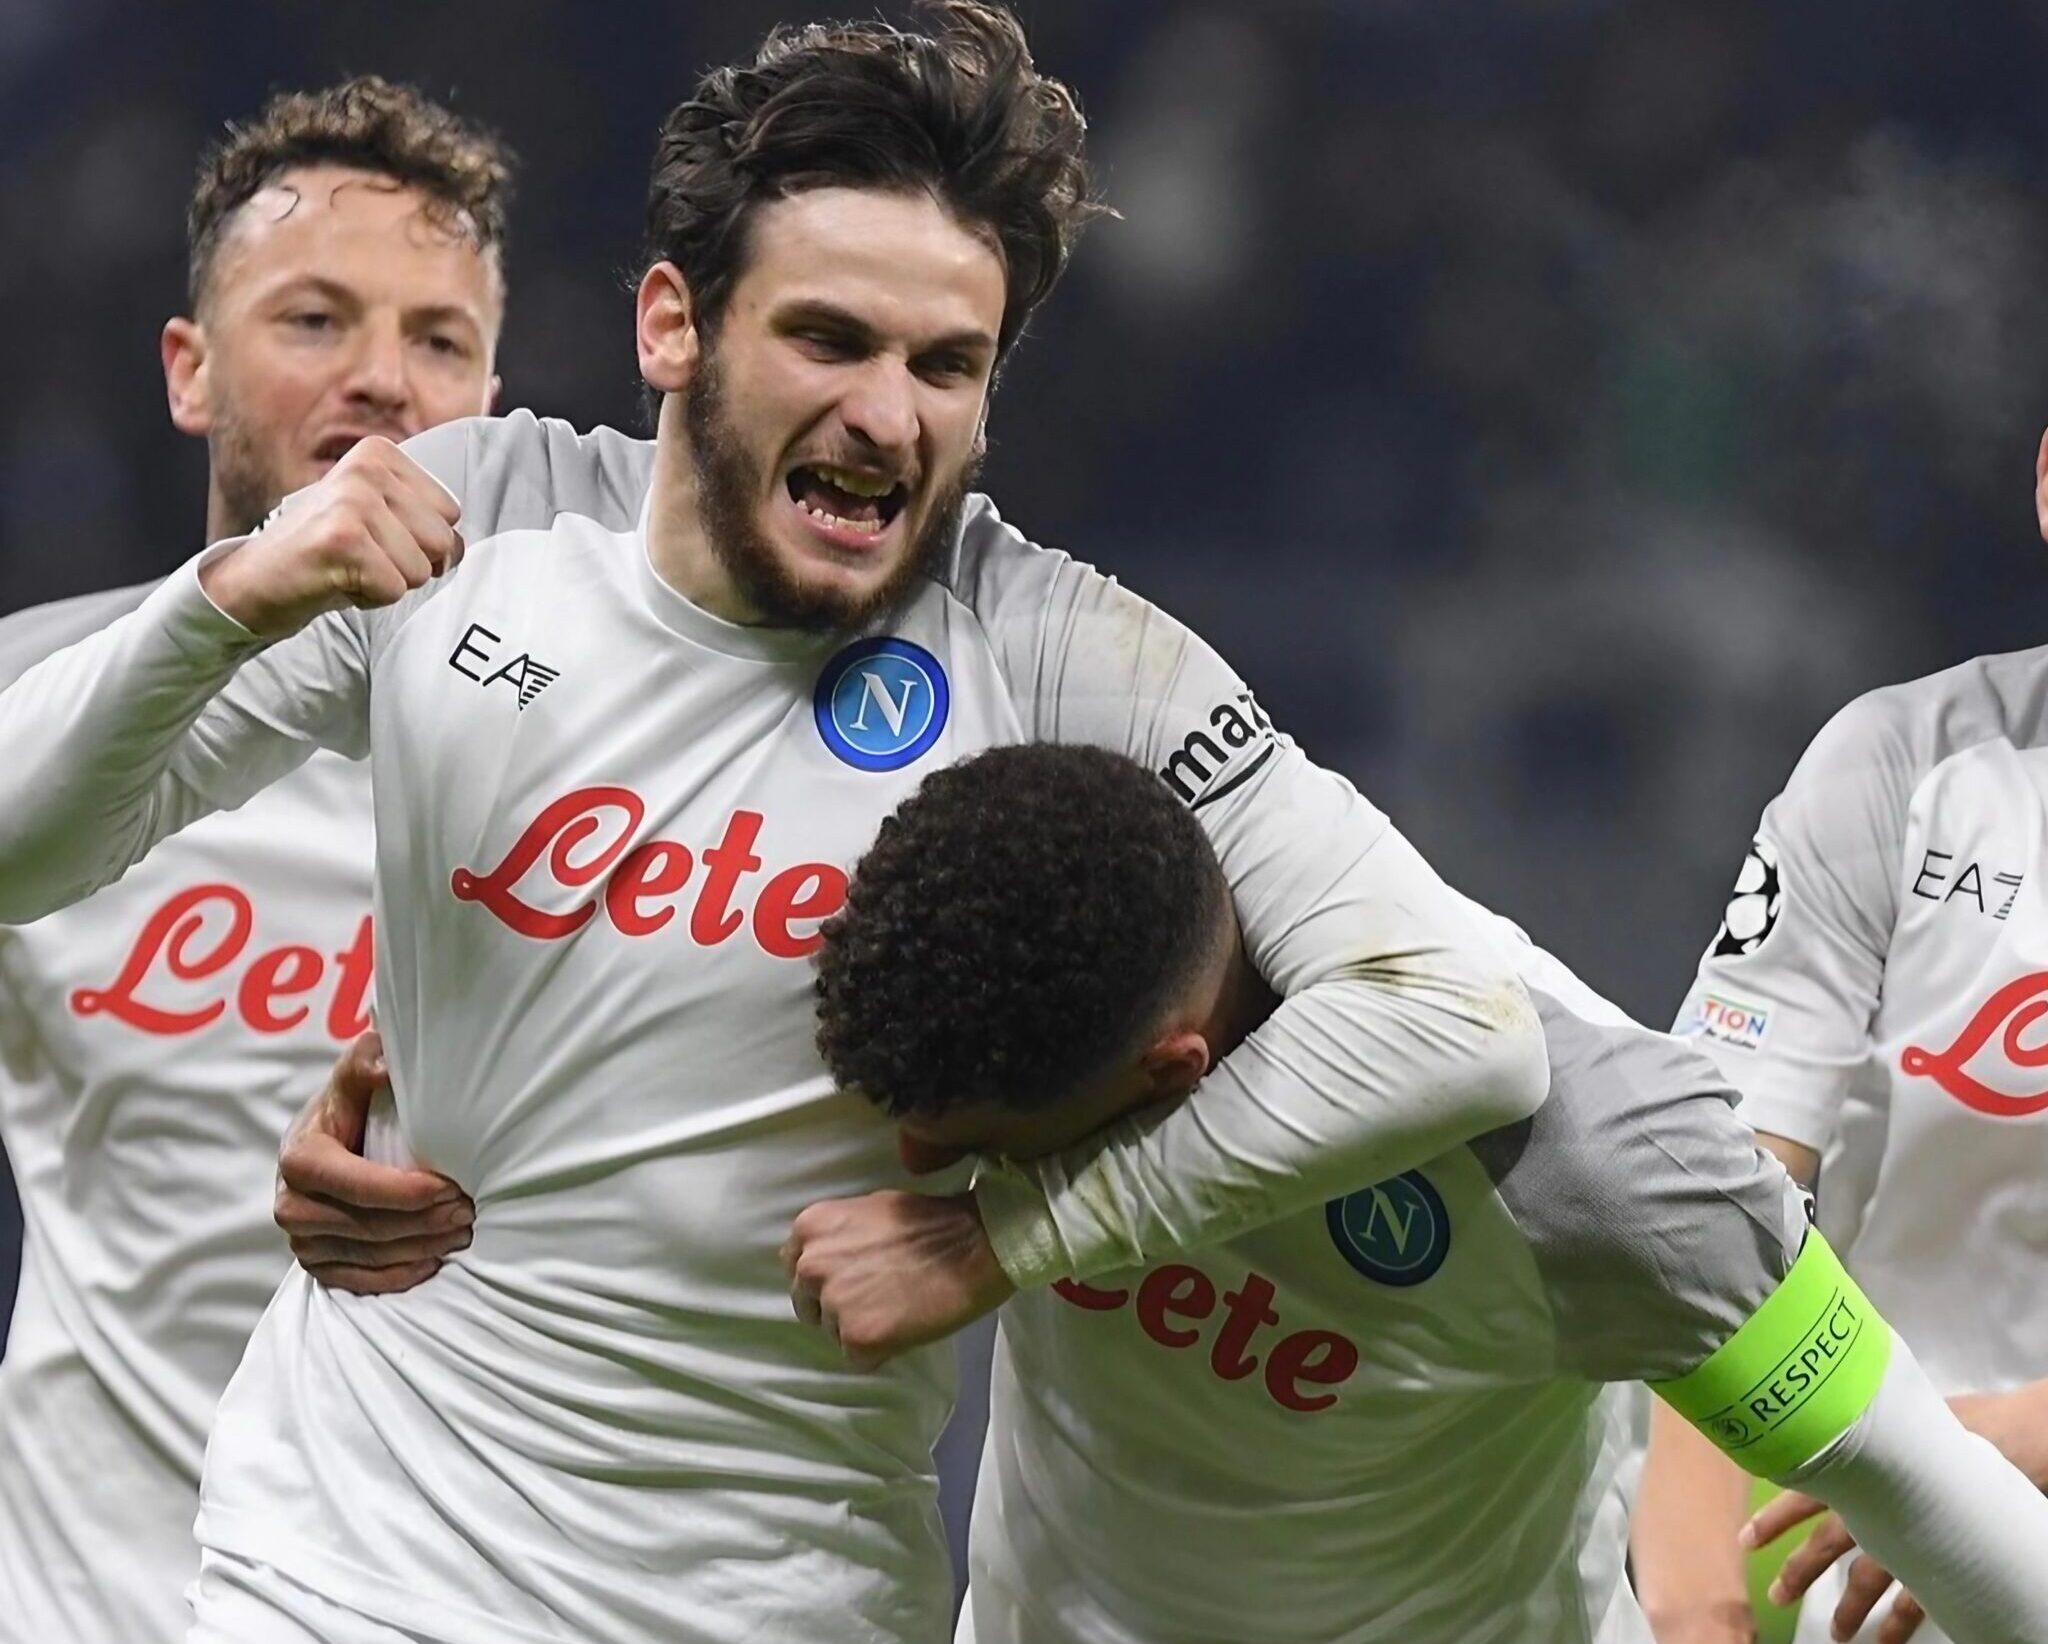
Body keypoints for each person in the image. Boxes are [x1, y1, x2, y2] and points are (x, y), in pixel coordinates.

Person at [0, 7, 1555, 1641]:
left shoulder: (1049, 648)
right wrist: (221, 599)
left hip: (782, 1597)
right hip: (348, 1569)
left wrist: (1008, 1232)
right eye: (830, 339)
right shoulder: (484, 514)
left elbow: (1450, 1017)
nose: (889, 414)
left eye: (945, 365)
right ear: (673, 324)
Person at [789, 741, 2048, 1644]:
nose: (925, 1183)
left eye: (990, 1154)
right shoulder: (1040, 943)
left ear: (1175, 1070)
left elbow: (1938, 1499)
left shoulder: (1605, 1164)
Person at [0, 78, 510, 1644]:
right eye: (314, 320)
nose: (384, 384)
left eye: (441, 341)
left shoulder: (600, 772)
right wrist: (243, 598)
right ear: (190, 369)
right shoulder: (38, 723)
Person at [1630, 433, 2048, 1644]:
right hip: (1836, 1554)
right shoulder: (1903, 765)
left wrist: (2013, 1442)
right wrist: (1693, 1578)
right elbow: (1715, 1193)